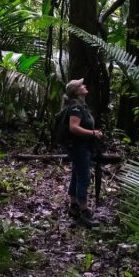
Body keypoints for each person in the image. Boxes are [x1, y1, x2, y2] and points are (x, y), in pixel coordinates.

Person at [61, 78, 103, 227]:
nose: (84, 86)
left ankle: (73, 206)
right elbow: (73, 127)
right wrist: (93, 133)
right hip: (78, 147)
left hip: (81, 146)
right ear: (76, 91)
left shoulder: (80, 106)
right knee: (84, 177)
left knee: (77, 174)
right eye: (81, 85)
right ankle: (84, 211)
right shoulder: (76, 108)